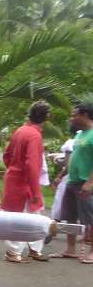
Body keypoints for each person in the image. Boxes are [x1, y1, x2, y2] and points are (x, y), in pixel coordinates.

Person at [0, 100, 51, 262]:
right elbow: (32, 165)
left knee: (32, 216)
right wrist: (36, 191)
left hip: (15, 179)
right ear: (46, 117)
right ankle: (14, 252)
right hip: (25, 183)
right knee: (22, 218)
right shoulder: (35, 135)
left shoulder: (21, 130)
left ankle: (34, 249)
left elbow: (7, 155)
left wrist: (13, 169)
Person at [60, 100, 93, 263]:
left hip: (85, 183)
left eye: (75, 115)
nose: (72, 118)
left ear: (84, 115)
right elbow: (74, 157)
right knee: (69, 216)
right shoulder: (80, 134)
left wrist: (90, 182)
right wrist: (62, 174)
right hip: (72, 181)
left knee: (90, 218)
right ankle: (70, 249)